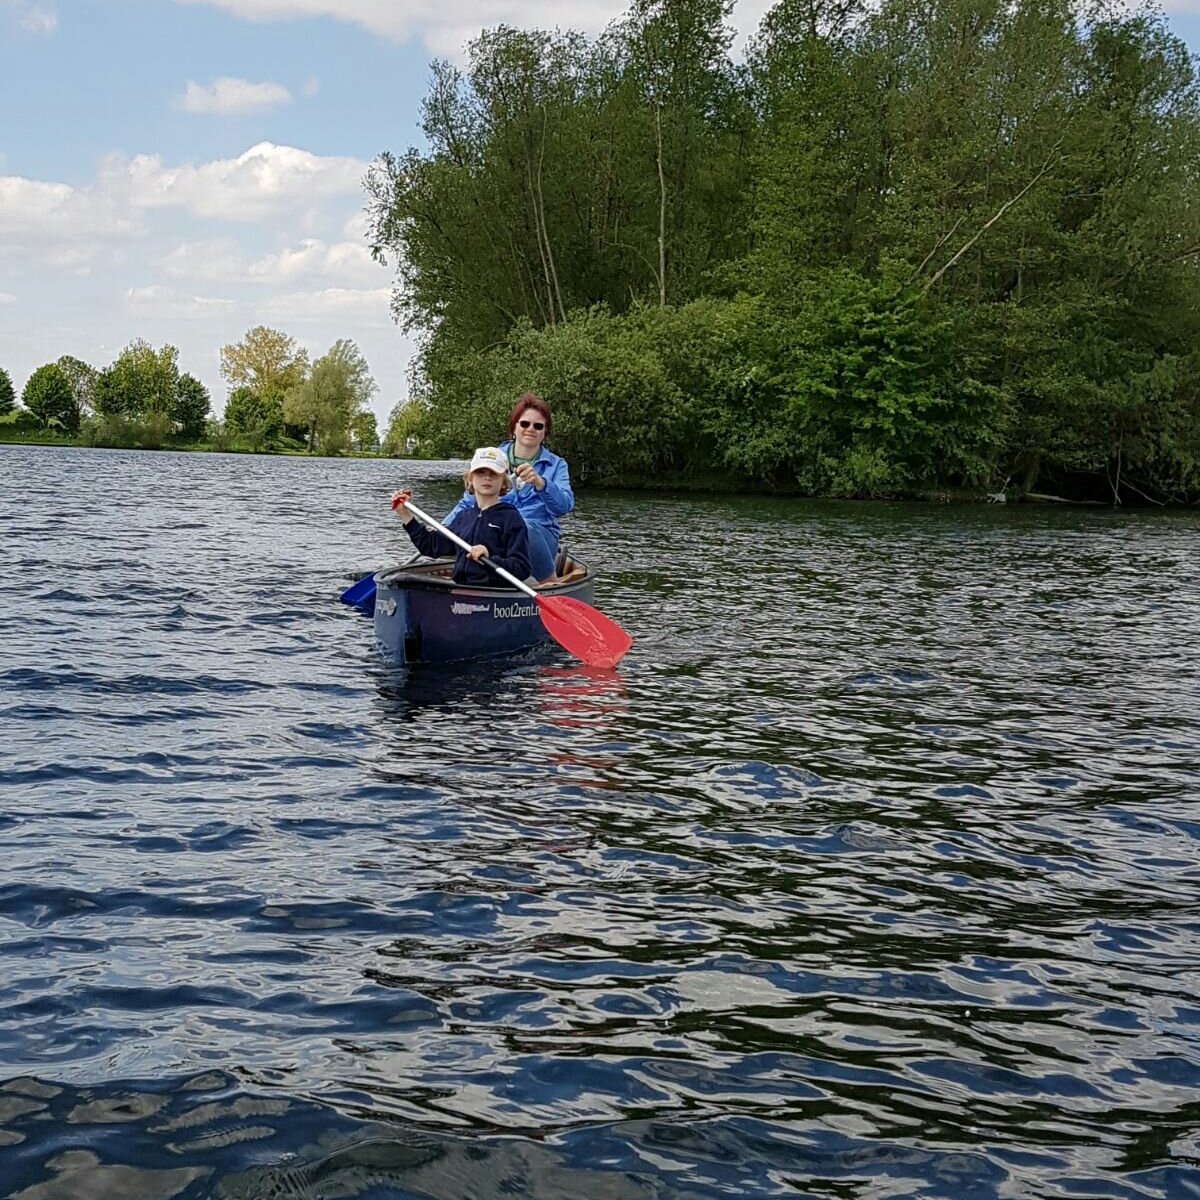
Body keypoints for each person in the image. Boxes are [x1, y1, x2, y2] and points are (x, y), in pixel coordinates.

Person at [445, 393, 573, 584]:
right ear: (514, 427)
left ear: (545, 432)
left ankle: (550, 583)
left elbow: (564, 506)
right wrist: (443, 529)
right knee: (475, 527)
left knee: (522, 526)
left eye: (538, 426)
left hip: (539, 534)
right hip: (495, 531)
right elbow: (468, 501)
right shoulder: (491, 458)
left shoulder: (557, 465)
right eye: (524, 424)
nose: (530, 429)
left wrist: (541, 483)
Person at [392, 447, 531, 587]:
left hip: (492, 592)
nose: (487, 477)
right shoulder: (463, 517)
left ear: (503, 483)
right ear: (470, 480)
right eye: (480, 472)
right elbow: (430, 546)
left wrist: (490, 558)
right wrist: (404, 514)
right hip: (461, 589)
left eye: (494, 474)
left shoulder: (510, 518)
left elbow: (522, 568)